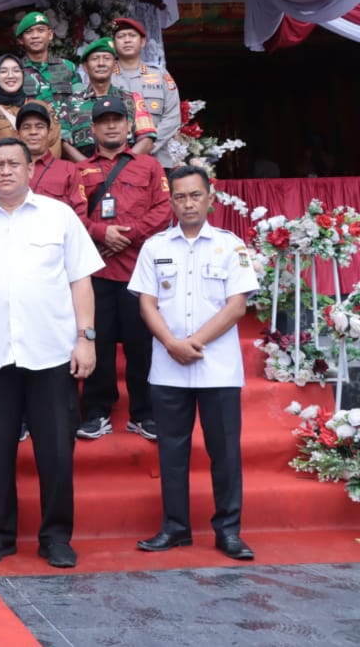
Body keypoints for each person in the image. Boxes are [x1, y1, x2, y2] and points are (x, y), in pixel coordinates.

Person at [0, 137, 103, 570]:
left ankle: (56, 536)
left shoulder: (59, 217)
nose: (5, 171)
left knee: (56, 451)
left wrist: (86, 337)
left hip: (52, 351)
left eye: (13, 163)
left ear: (29, 168)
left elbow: (81, 281)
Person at [129, 165, 258, 561]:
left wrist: (193, 343)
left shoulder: (229, 245)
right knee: (171, 450)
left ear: (210, 199)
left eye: (195, 195)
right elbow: (146, 303)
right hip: (169, 366)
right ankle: (175, 527)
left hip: (217, 367)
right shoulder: (155, 247)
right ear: (171, 201)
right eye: (180, 197)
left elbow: (237, 305)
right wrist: (171, 343)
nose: (188, 203)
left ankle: (229, 531)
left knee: (224, 451)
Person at [76, 97, 171, 441]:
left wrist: (128, 237)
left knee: (141, 344)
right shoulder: (81, 170)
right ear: (94, 129)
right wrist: (103, 232)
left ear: (129, 126)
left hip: (139, 272)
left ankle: (143, 413)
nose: (111, 126)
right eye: (104, 121)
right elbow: (73, 214)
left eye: (117, 120)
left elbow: (164, 209)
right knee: (96, 344)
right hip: (96, 273)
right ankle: (97, 411)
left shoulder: (149, 167)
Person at [66, 37, 157, 162]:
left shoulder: (132, 99)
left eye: (107, 58)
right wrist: (88, 167)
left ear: (115, 66)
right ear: (85, 67)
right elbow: (62, 143)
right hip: (83, 172)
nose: (101, 63)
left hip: (127, 169)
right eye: (95, 59)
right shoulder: (69, 103)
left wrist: (123, 165)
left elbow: (147, 139)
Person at [110, 17, 182, 170]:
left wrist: (148, 145)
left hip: (158, 160)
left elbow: (173, 116)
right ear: (114, 44)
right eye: (121, 37)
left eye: (132, 35)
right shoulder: (106, 77)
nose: (127, 40)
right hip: (116, 161)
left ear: (142, 42)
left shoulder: (160, 74)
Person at [14, 11, 84, 157]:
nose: (35, 36)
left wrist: (74, 133)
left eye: (40, 30)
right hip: (33, 145)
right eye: (29, 32)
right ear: (21, 39)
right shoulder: (14, 71)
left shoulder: (67, 67)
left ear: (50, 35)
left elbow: (80, 103)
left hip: (70, 143)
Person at [0, 54, 61, 158]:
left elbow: (54, 150)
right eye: (4, 71)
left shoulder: (43, 108)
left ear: (23, 75)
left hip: (42, 173)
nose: (10, 75)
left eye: (16, 71)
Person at [15, 102, 88, 215]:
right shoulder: (8, 170)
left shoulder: (68, 169)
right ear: (18, 134)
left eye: (40, 127)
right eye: (26, 127)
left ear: (49, 133)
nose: (33, 132)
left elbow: (80, 214)